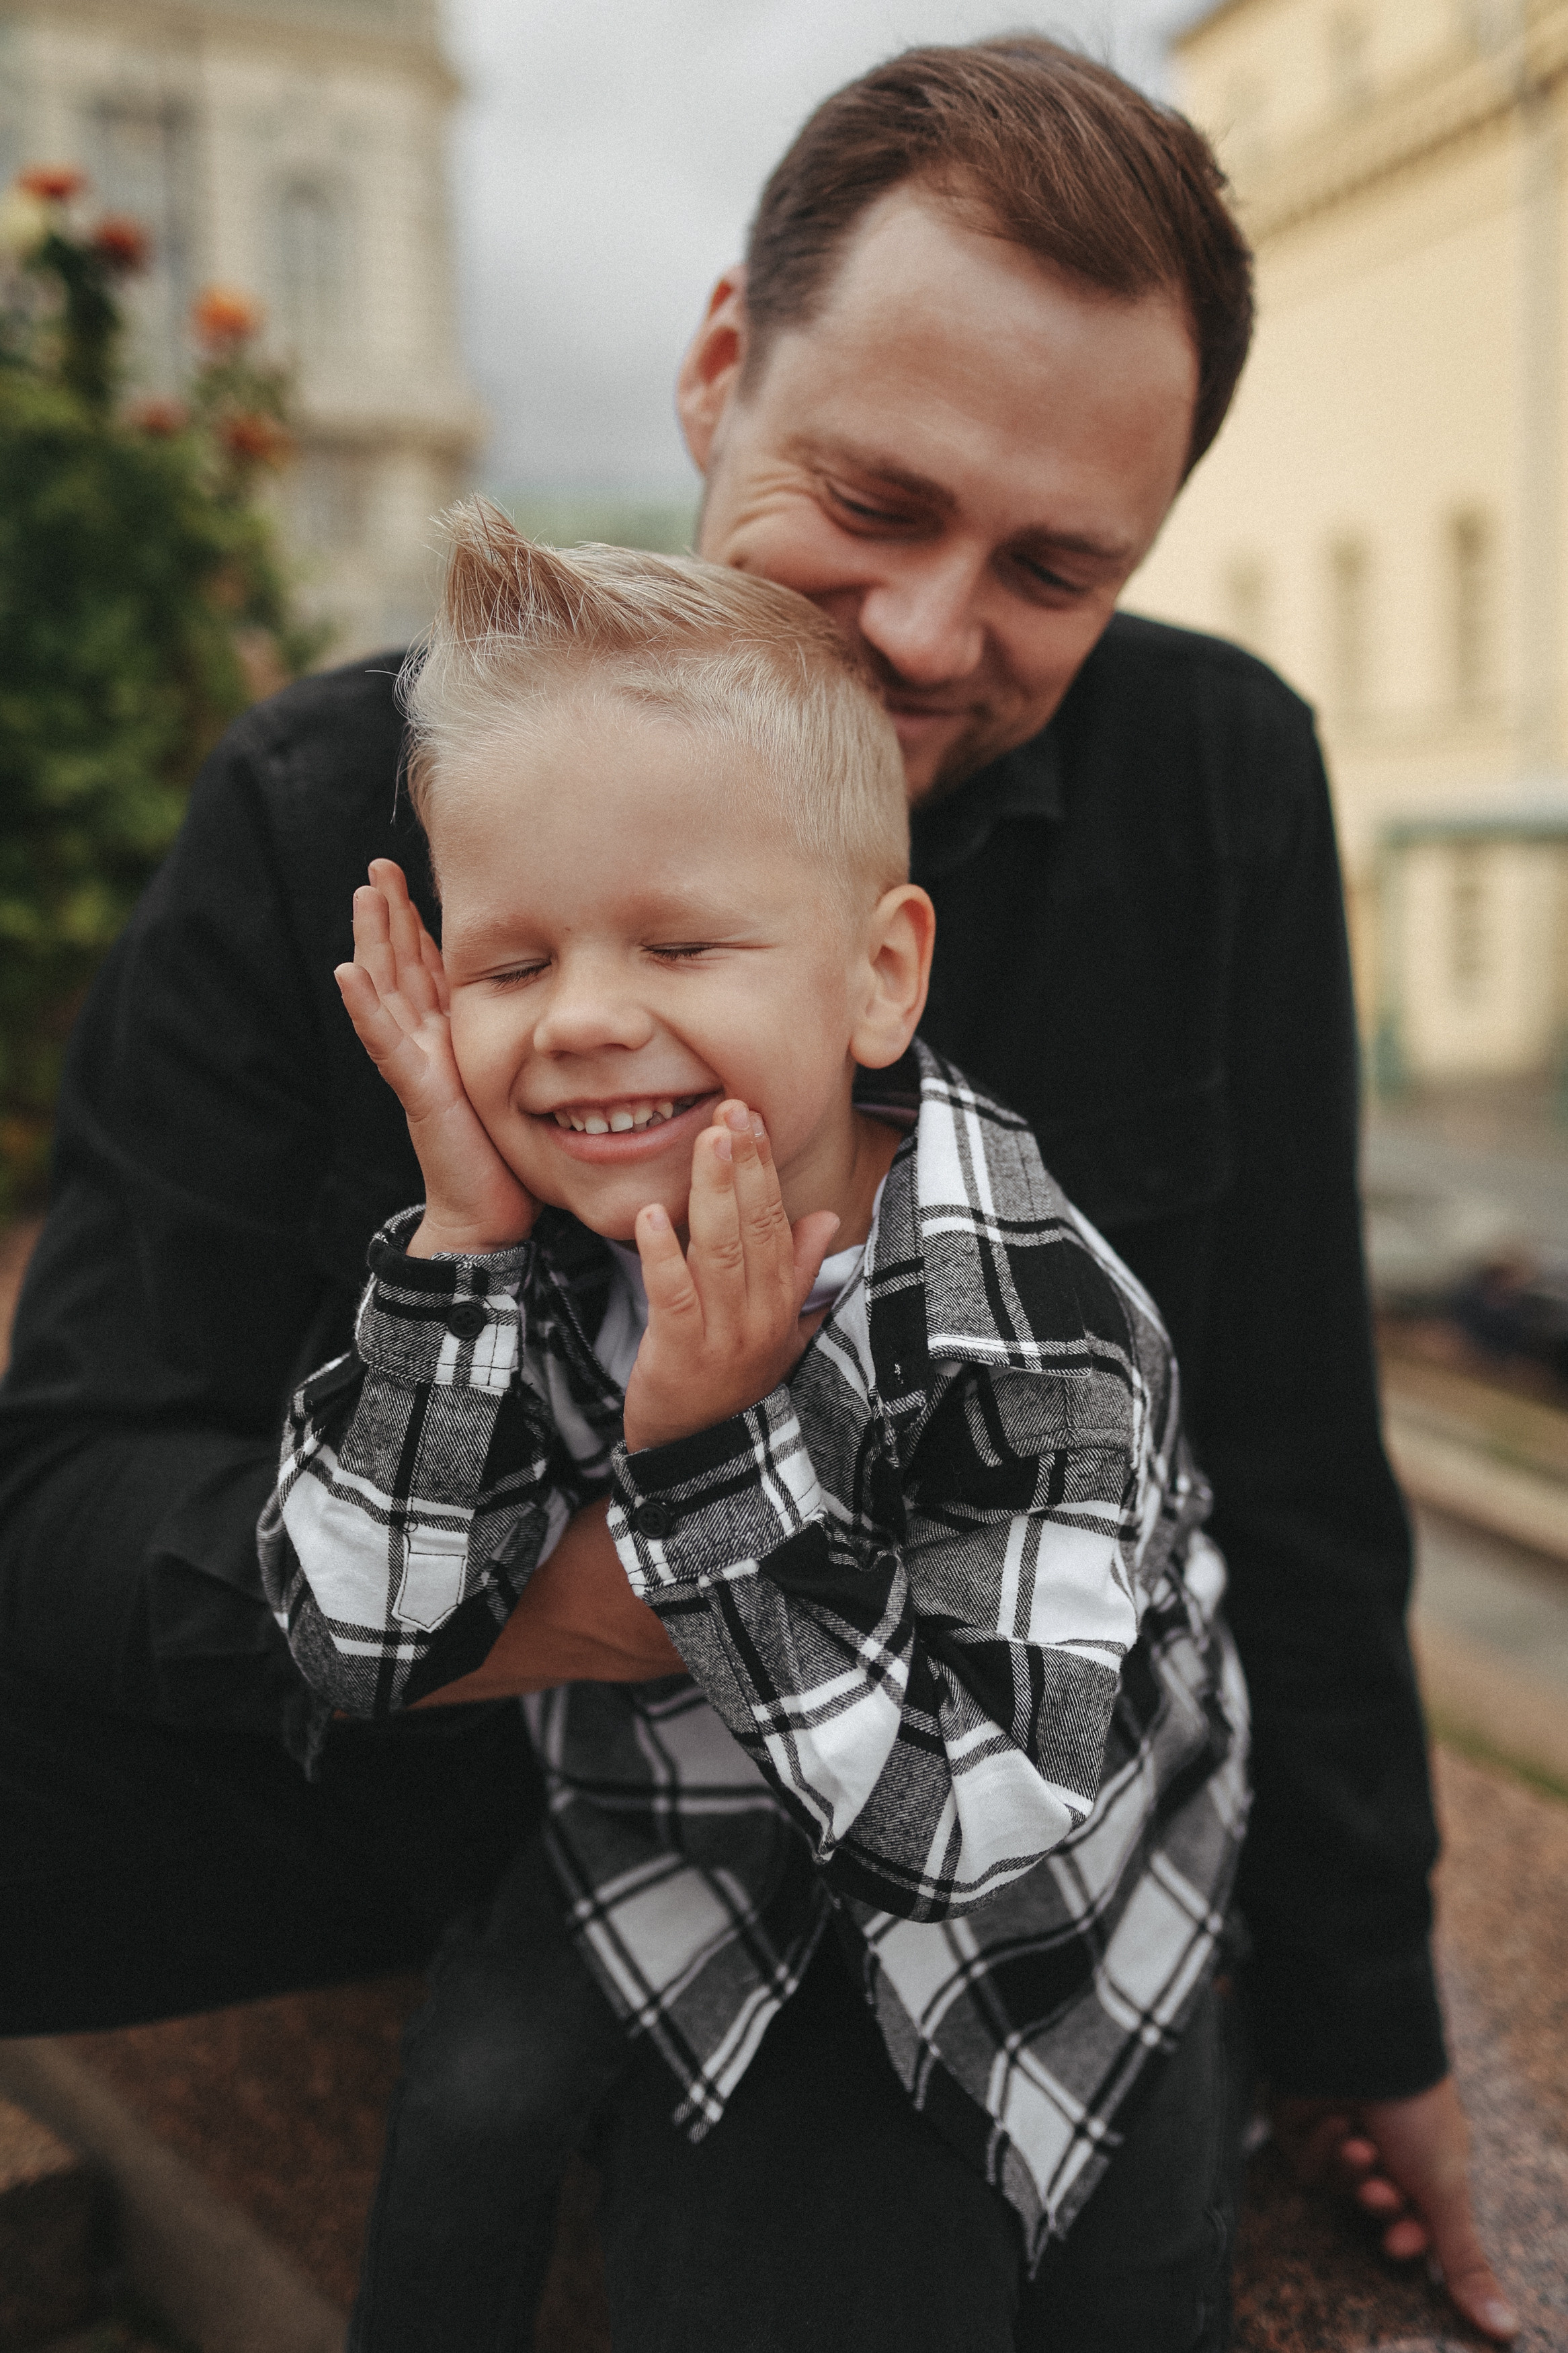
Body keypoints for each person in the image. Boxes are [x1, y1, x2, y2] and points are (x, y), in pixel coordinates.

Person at [0, 34, 1514, 2345]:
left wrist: (1370, 2011)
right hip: (440, 1788)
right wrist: (605, 1591)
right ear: (720, 367)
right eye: (875, 500)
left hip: (975, 1813)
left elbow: (1294, 1452)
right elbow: (76, 1492)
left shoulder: (1217, 779)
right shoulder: (333, 802)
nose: (928, 631)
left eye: (1055, 567)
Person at [261, 516, 1246, 2349]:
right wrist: (461, 1235)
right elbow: (354, 1633)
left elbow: (976, 1826)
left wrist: (712, 1461)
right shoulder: (531, 1237)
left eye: (680, 941)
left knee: (1121, 2245)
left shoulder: (1034, 1326)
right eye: (508, 965)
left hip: (1034, 1876)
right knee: (470, 2106)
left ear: (879, 975)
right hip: (668, 1802)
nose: (583, 1021)